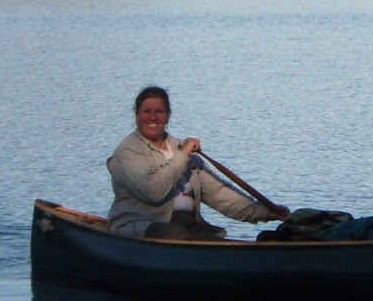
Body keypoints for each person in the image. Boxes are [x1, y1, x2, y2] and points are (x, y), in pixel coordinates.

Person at [106, 86, 288, 239]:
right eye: (146, 111)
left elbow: (220, 194)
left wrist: (266, 212)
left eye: (159, 111)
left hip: (186, 227)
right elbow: (153, 191)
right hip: (140, 226)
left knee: (217, 242)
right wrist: (183, 155)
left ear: (168, 116)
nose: (153, 118)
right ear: (136, 115)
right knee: (176, 233)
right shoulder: (126, 153)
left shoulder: (182, 151)